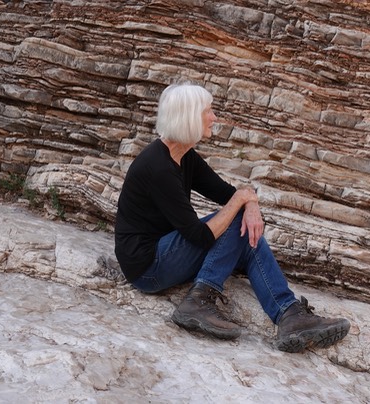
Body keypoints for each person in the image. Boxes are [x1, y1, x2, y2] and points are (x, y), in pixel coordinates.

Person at [114, 82, 351, 352]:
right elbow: (200, 236)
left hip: (168, 250)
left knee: (245, 234)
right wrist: (241, 202)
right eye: (208, 111)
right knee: (235, 223)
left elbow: (226, 193)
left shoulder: (184, 156)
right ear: (189, 116)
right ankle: (198, 302)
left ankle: (290, 315)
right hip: (148, 268)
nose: (214, 117)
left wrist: (249, 203)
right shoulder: (157, 168)